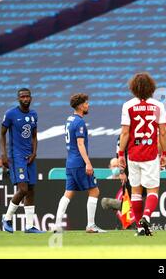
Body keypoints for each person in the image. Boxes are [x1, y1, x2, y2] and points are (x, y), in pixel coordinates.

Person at [118, 72, 166, 236]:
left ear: (133, 88)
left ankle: (140, 227)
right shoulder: (158, 106)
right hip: (150, 154)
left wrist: (120, 154)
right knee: (153, 190)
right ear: (151, 87)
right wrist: (165, 153)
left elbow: (125, 133)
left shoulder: (128, 106)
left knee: (137, 192)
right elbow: (162, 133)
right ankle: (146, 217)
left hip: (133, 154)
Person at [54, 93, 105, 233]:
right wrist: (88, 163)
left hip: (70, 162)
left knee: (68, 193)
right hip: (79, 163)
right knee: (94, 191)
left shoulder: (69, 119)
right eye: (86, 103)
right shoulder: (79, 122)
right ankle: (90, 225)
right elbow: (80, 144)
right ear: (81, 105)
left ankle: (57, 225)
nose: (88, 105)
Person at [0, 88, 44, 233]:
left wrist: (34, 152)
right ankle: (7, 218)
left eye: (27, 96)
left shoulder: (33, 114)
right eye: (22, 97)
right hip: (16, 157)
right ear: (18, 99)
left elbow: (34, 136)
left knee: (31, 190)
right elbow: (2, 135)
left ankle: (30, 226)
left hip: (29, 157)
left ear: (31, 98)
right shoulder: (10, 114)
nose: (25, 99)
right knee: (23, 189)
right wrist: (4, 155)